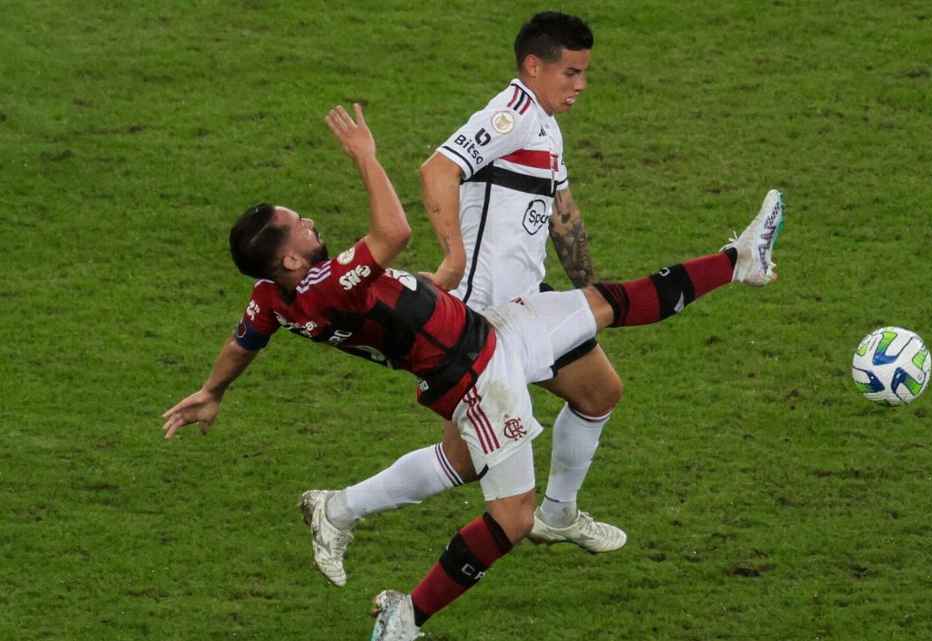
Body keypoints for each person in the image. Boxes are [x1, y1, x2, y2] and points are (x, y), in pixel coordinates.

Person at [161, 103, 783, 641]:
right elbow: (394, 231)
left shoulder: (274, 297)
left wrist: (213, 390)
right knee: (512, 518)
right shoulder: (326, 286)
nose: (309, 222)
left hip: (487, 331)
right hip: (476, 375)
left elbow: (244, 341)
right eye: (297, 225)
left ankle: (739, 262)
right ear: (292, 259)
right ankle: (406, 613)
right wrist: (364, 155)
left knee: (607, 305)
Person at [296, 11, 622, 589]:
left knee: (599, 392)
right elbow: (438, 169)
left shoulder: (546, 126)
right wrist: (452, 258)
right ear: (534, 66)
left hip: (528, 308)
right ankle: (339, 510)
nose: (581, 85)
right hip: (481, 322)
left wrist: (586, 295)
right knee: (466, 462)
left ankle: (557, 513)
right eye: (571, 73)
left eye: (584, 73)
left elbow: (563, 215)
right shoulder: (510, 115)